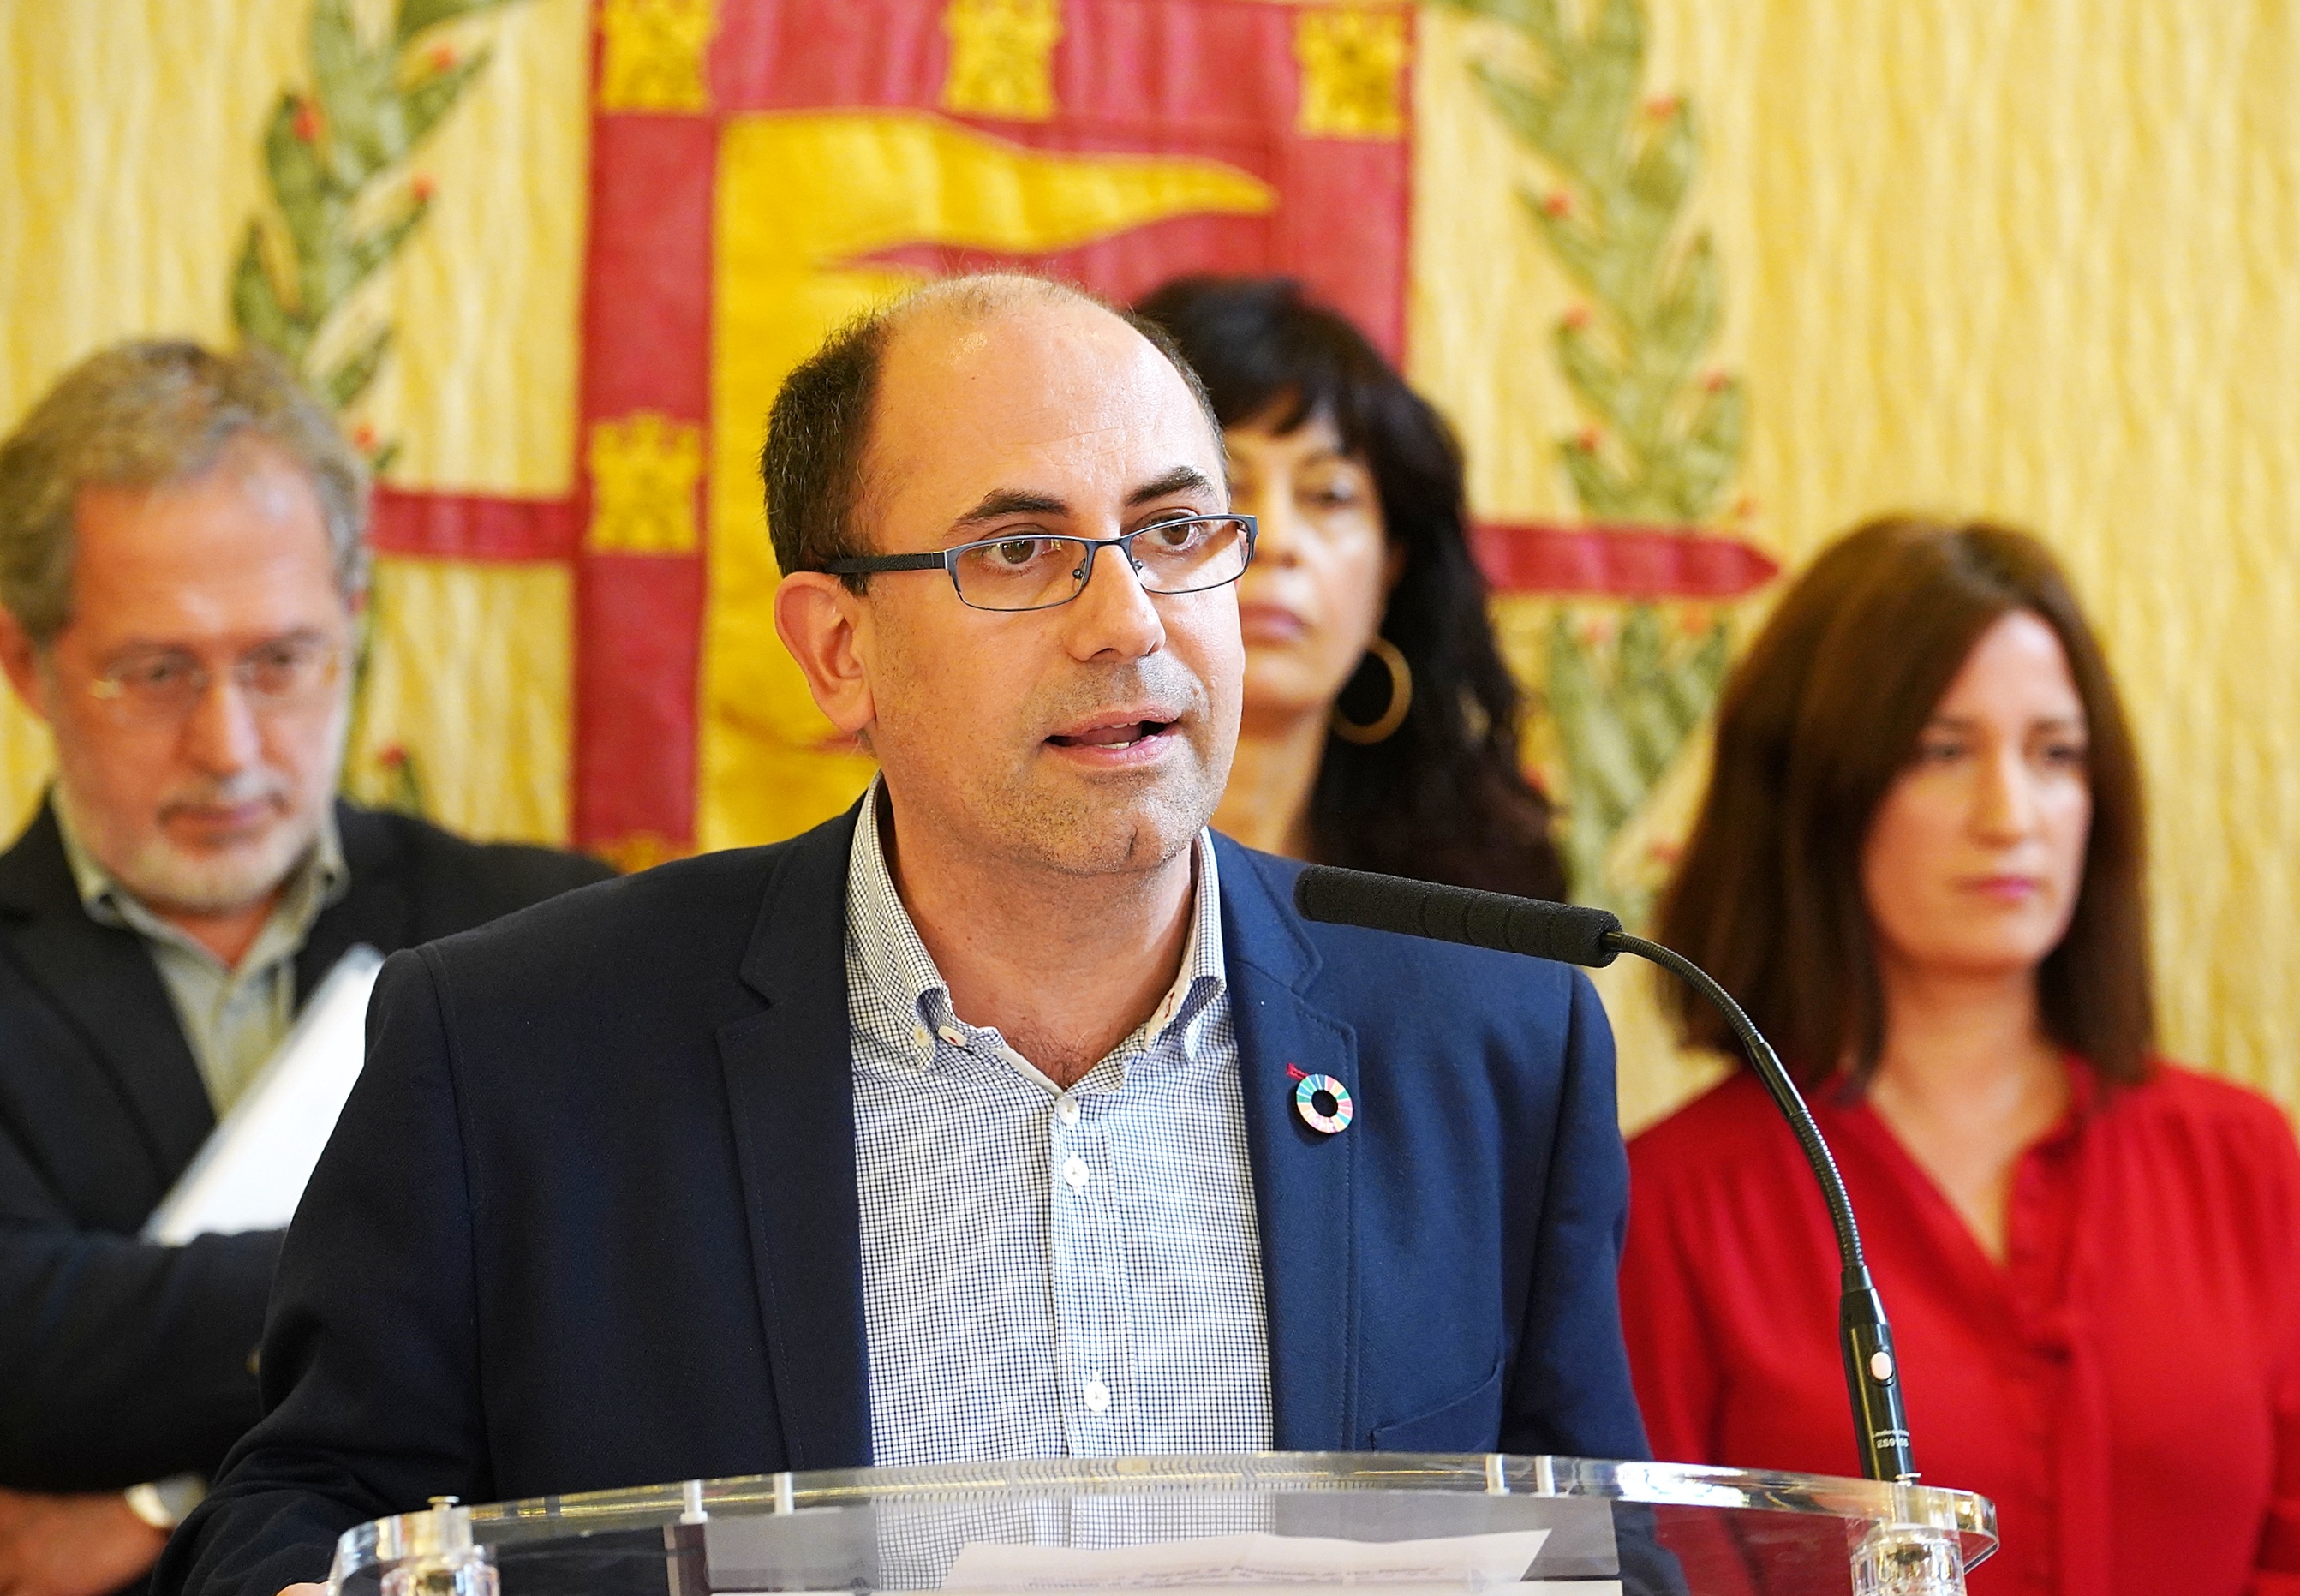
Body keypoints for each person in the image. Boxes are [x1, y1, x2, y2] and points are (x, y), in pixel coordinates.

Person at [158, 275, 1648, 1595]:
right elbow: (304, 1506)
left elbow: (1602, 1539)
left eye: (1174, 531)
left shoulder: (1493, 1043)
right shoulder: (515, 1049)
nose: (1129, 620)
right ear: (838, 648)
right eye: (1018, 550)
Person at [1618, 517, 2300, 1595]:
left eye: (2055, 754)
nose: (2010, 815)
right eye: (1941, 752)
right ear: (1817, 792)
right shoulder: (1669, 1207)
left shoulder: (2238, 1163)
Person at [0, 342, 610, 1596]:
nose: (228, 746)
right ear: (26, 665)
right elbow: (19, 1344)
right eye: (158, 672)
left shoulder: (552, 925)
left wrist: (156, 1500)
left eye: (280, 662)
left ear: (352, 625)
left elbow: (630, 1304)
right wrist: (465, 1254)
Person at [1134, 276, 1563, 900]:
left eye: (1328, 495)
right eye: (1221, 490)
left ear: (1391, 568)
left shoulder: (1479, 898)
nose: (1276, 539)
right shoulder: (1030, 860)